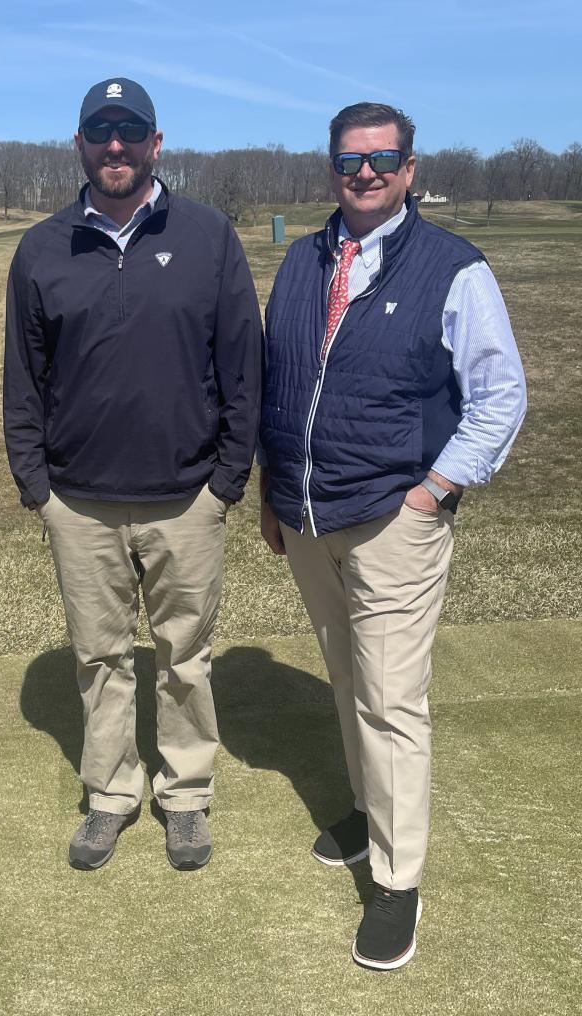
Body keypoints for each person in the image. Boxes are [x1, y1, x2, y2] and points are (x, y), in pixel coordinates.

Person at [258, 103, 526, 969]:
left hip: (393, 522)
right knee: (347, 681)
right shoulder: (303, 258)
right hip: (307, 517)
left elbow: (500, 397)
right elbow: (280, 382)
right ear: (330, 167)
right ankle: (372, 816)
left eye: (383, 160)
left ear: (410, 168)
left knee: (391, 700)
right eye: (349, 159)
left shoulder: (454, 267)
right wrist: (273, 490)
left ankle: (398, 880)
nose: (364, 173)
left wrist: (435, 490)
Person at [3, 78, 261, 871]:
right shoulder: (44, 248)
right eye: (100, 131)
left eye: (130, 131)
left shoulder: (209, 235)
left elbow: (244, 370)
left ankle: (184, 796)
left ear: (156, 141)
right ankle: (112, 794)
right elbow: (23, 379)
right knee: (100, 657)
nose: (115, 145)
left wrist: (226, 482)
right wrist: (37, 488)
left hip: (187, 497)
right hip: (79, 502)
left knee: (185, 655)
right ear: (79, 143)